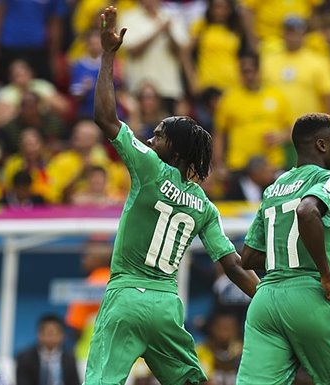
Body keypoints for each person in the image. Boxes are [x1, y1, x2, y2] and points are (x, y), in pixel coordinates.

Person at [84, 8, 259, 385]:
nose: (150, 139)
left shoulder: (149, 167)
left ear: (175, 152)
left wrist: (108, 56)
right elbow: (231, 266)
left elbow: (104, 117)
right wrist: (266, 299)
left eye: (159, 136)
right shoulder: (205, 206)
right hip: (165, 304)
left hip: (126, 295)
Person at [235, 112, 330, 384]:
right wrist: (326, 273)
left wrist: (314, 245)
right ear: (321, 145)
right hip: (308, 294)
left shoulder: (274, 188)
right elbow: (307, 212)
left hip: (265, 301)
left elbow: (248, 257)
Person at [16, 315, 81, 385]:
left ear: (63, 335)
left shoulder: (70, 359)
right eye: (48, 333)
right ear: (39, 334)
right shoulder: (25, 358)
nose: (51, 338)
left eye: (55, 333)